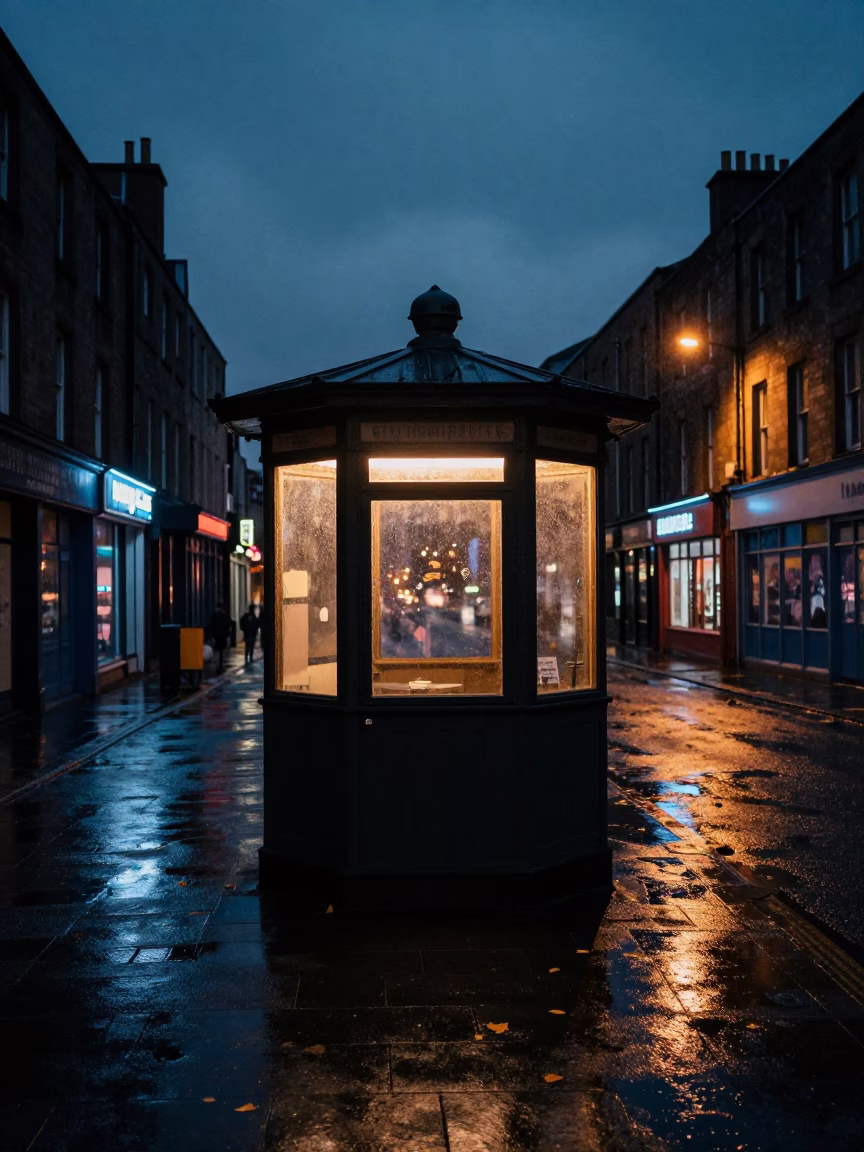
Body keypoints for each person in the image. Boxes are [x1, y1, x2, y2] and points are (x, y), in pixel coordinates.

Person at [209, 601, 231, 672]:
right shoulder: (225, 616)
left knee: (217, 650)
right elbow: (228, 625)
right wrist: (227, 634)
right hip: (222, 635)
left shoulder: (215, 616)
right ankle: (220, 663)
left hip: (217, 635)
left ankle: (217, 663)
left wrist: (213, 634)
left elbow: (212, 625)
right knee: (221, 650)